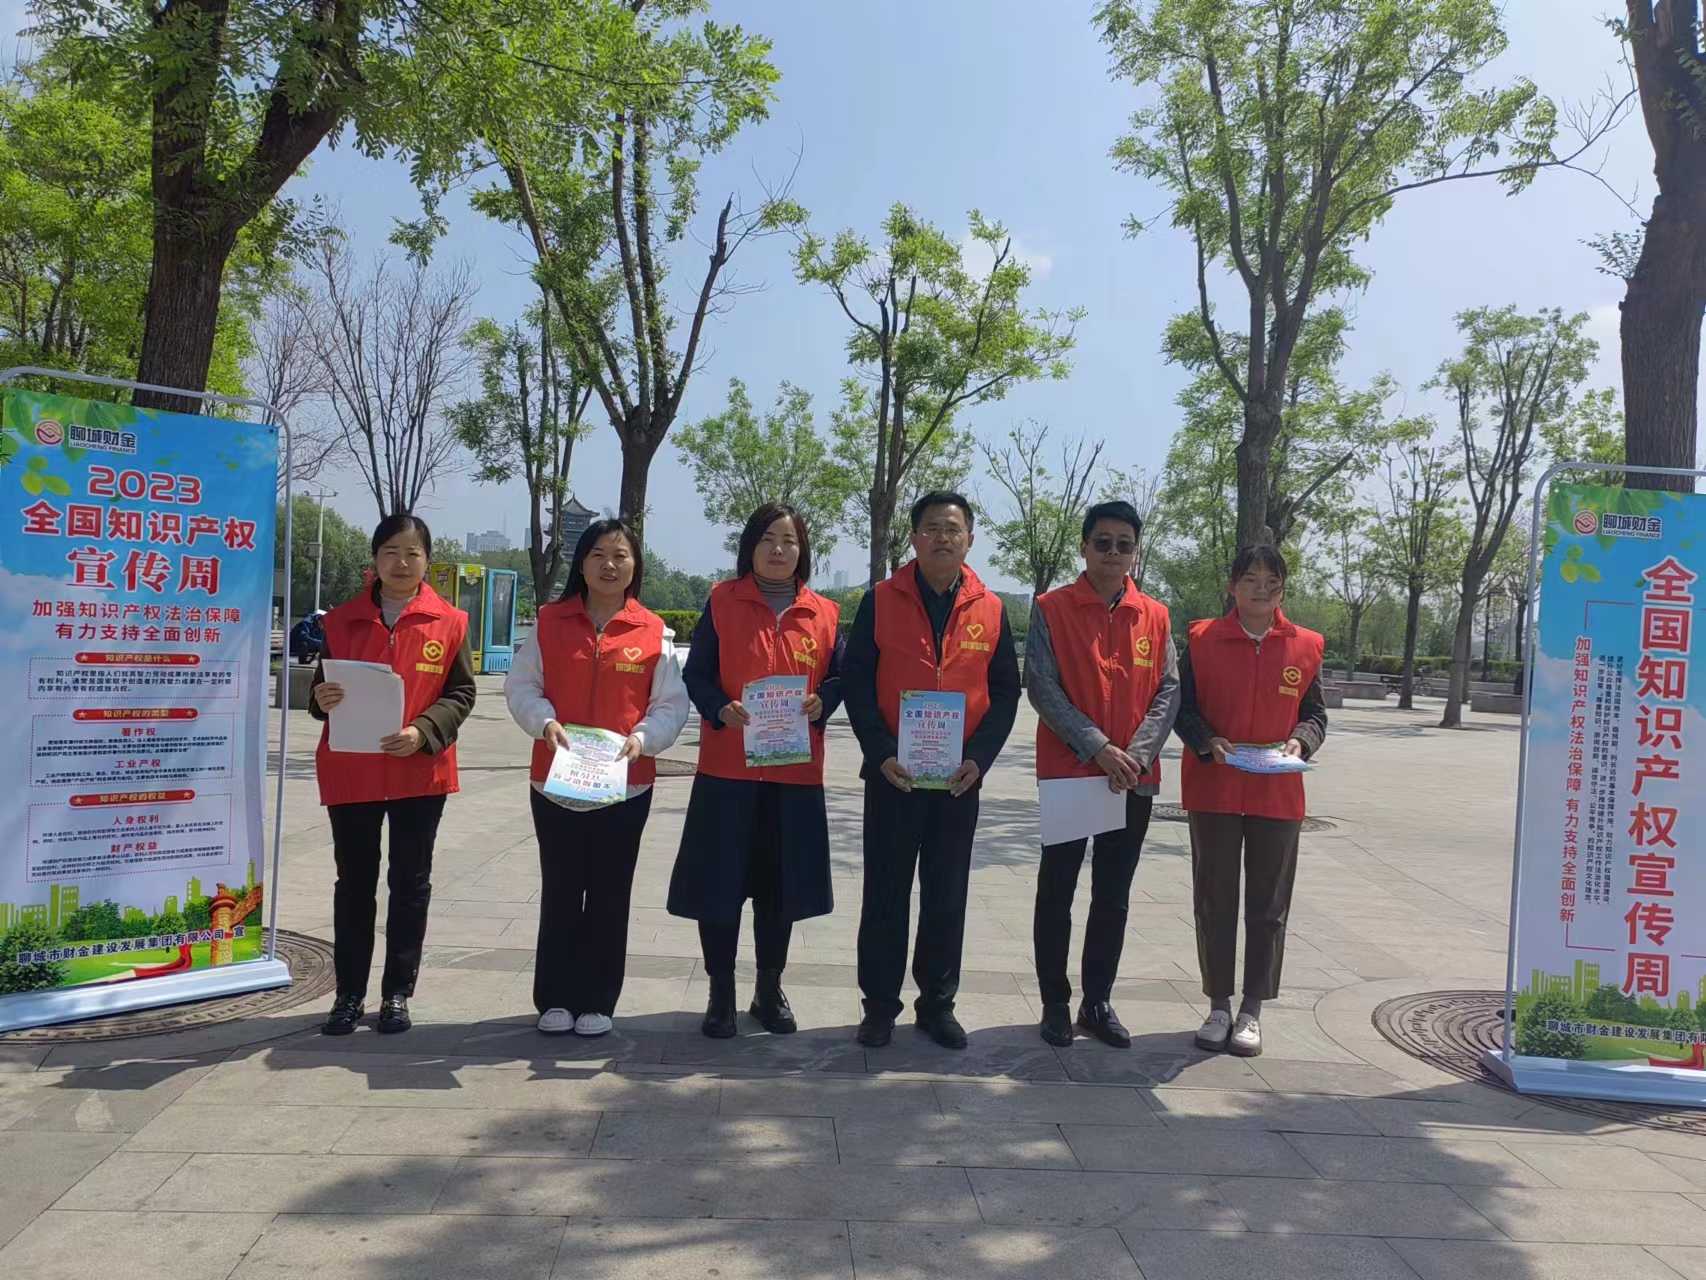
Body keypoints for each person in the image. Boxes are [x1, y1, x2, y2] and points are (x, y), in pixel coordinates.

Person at [844, 491, 1021, 1050]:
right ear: (914, 537)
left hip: (957, 781)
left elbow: (1005, 692)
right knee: (885, 895)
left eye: (953, 528)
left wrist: (979, 759)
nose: (943, 538)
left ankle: (937, 1005)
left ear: (970, 539)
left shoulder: (991, 608)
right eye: (932, 528)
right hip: (893, 775)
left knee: (946, 896)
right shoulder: (881, 599)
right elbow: (857, 683)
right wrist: (879, 751)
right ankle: (878, 1006)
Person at [504, 518, 688, 1037]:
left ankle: (598, 999)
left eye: (621, 555)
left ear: (635, 566)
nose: (610, 565)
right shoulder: (549, 623)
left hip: (626, 786)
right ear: (581, 563)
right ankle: (555, 997)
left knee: (610, 892)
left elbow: (670, 704)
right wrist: (544, 723)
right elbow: (522, 686)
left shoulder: (653, 631)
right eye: (598, 554)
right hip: (555, 782)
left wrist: (644, 739)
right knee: (561, 889)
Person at [668, 503, 845, 1038]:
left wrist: (824, 701)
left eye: (789, 540)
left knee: (780, 890)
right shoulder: (722, 601)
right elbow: (698, 675)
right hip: (728, 773)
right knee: (719, 887)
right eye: (768, 538)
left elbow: (842, 678)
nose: (778, 549)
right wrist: (719, 707)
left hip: (794, 776)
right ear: (750, 546)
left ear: (803, 550)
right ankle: (720, 991)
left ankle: (769, 989)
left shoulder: (825, 613)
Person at [309, 514, 476, 1036]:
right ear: (375, 560)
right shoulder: (341, 621)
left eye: (412, 553)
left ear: (428, 560)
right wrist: (320, 697)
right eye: (390, 552)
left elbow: (461, 693)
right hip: (352, 771)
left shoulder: (450, 622)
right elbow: (321, 692)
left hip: (418, 772)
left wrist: (424, 731)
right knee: (353, 884)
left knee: (410, 883)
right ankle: (348, 994)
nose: (401, 563)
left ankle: (397, 993)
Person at [1025, 500, 1179, 1049]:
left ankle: (1097, 1001)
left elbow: (1169, 690)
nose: (1113, 553)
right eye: (1103, 542)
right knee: (1057, 889)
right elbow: (1041, 685)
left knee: (1113, 894)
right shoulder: (1051, 608)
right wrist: (1098, 747)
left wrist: (1134, 755)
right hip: (1071, 773)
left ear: (1136, 551)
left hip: (1132, 778)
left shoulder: (1155, 615)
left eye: (1124, 544)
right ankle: (1054, 1002)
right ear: (1084, 546)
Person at [1174, 544, 1328, 1058]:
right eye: (1251, 579)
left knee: (1268, 906)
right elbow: (1180, 707)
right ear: (1232, 586)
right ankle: (1218, 1005)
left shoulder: (1306, 645)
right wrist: (1206, 739)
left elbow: (1315, 715)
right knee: (1214, 900)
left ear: (1283, 588)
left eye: (1271, 581)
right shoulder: (1201, 640)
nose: (1261, 589)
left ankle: (1252, 1010)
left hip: (1277, 793)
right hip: (1214, 788)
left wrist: (1301, 741)